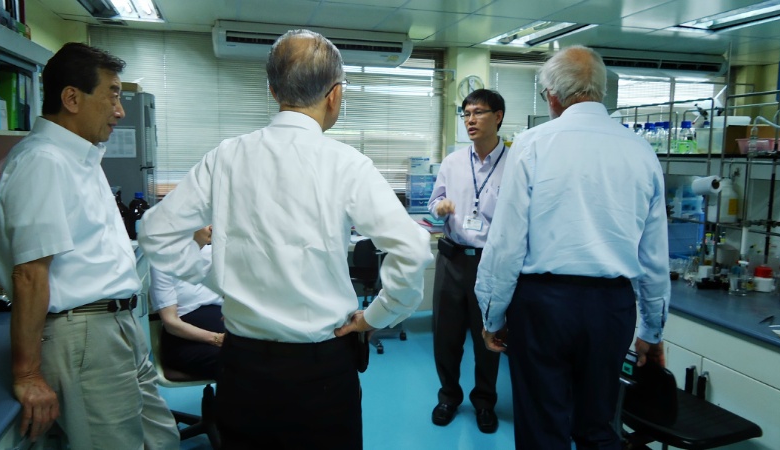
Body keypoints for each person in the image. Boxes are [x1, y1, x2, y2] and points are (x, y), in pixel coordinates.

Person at [137, 29, 433, 449]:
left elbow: (155, 232)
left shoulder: (226, 157)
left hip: (242, 367)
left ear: (273, 91)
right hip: (322, 368)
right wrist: (377, 316)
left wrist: (214, 277)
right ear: (335, 95)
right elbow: (412, 248)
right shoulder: (347, 164)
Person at [474, 45, 670, 450]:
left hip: (544, 306)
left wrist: (493, 315)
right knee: (598, 425)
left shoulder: (532, 144)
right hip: (612, 308)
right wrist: (652, 330)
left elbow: (507, 243)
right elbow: (654, 254)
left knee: (542, 428)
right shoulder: (641, 150)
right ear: (600, 91)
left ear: (552, 96)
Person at [0, 42, 179, 448]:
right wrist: (28, 374)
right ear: (72, 99)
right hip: (83, 334)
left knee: (161, 439)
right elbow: (30, 274)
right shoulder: (43, 162)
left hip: (117, 325)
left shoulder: (81, 157)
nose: (120, 111)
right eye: (112, 95)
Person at [427, 89, 506, 433]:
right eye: (466, 113)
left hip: (491, 263)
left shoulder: (515, 164)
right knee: (446, 336)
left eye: (478, 113)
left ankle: (485, 402)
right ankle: (448, 396)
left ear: (498, 116)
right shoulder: (453, 162)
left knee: (488, 335)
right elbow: (434, 203)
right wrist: (439, 207)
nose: (470, 120)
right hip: (452, 259)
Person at [150, 226, 224, 380]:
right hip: (187, 342)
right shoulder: (164, 261)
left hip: (227, 338)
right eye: (205, 221)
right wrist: (216, 338)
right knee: (241, 362)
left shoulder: (218, 255)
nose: (212, 227)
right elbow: (171, 322)